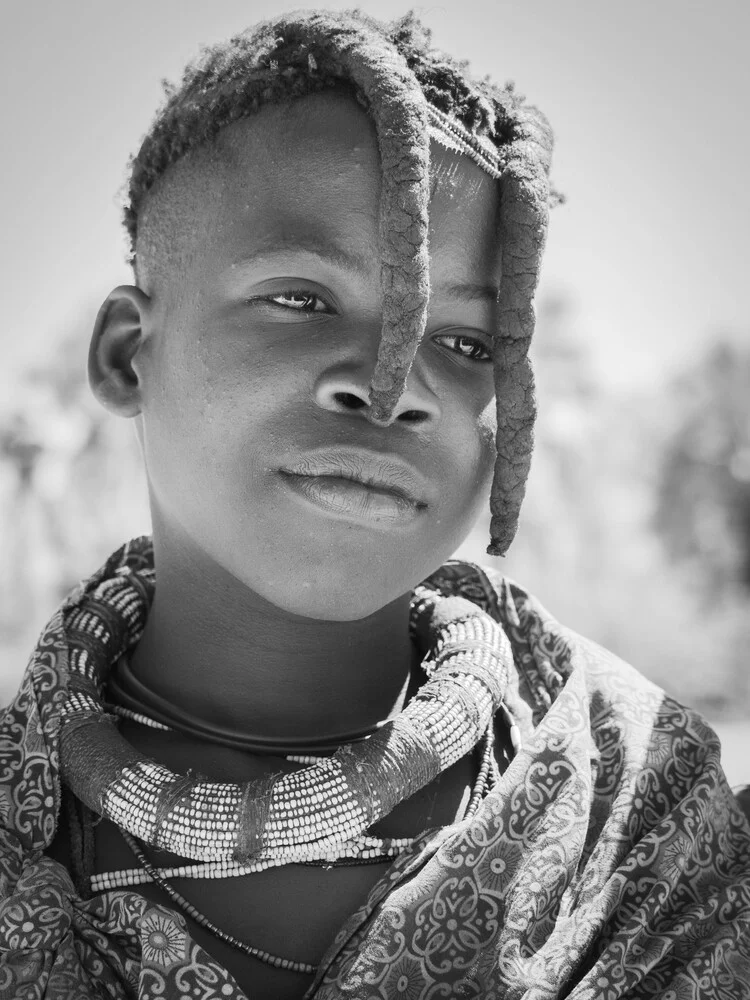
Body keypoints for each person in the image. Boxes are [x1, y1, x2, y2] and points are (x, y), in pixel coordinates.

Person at [1, 10, 748, 1000]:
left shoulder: (643, 809)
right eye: (303, 298)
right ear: (124, 353)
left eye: (471, 343)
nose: (392, 384)